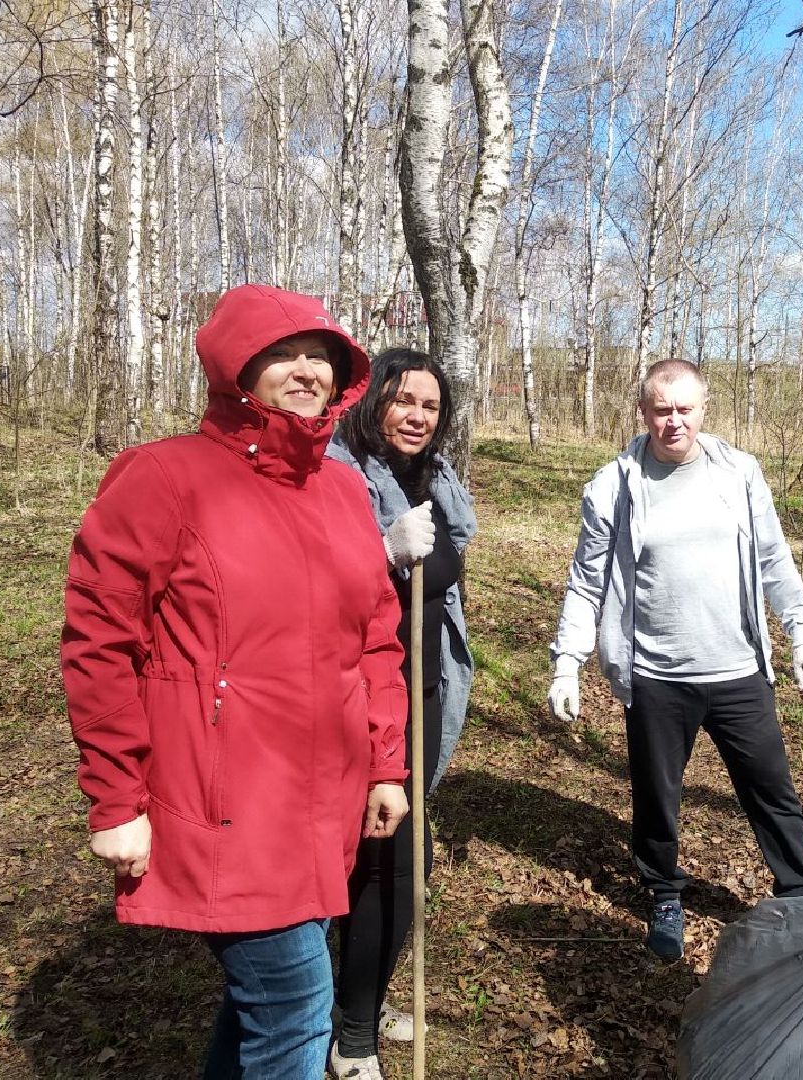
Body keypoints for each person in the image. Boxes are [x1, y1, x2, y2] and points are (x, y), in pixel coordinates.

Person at [62, 285, 410, 1079]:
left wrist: (386, 761)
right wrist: (116, 799)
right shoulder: (162, 477)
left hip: (322, 799)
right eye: (282, 354)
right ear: (235, 369)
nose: (306, 370)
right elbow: (98, 644)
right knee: (293, 1006)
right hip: (225, 802)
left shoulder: (343, 491)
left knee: (267, 1002)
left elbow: (376, 639)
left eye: (321, 357)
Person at [548, 359, 803, 961]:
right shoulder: (614, 486)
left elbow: (775, 560)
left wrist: (801, 632)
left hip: (738, 671)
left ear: (703, 409)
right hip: (657, 676)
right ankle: (663, 894)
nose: (673, 421)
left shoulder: (740, 473)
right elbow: (586, 582)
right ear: (643, 411)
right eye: (661, 409)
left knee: (771, 790)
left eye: (684, 409)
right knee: (657, 795)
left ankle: (799, 893)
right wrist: (567, 660)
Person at [325, 349, 476, 1079]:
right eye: (403, 399)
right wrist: (381, 552)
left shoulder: (436, 481)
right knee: (386, 864)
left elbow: (447, 580)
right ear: (372, 400)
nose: (418, 416)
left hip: (423, 686)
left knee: (396, 865)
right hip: (362, 696)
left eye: (430, 406)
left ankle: (364, 993)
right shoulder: (335, 474)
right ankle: (352, 1038)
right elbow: (309, 589)